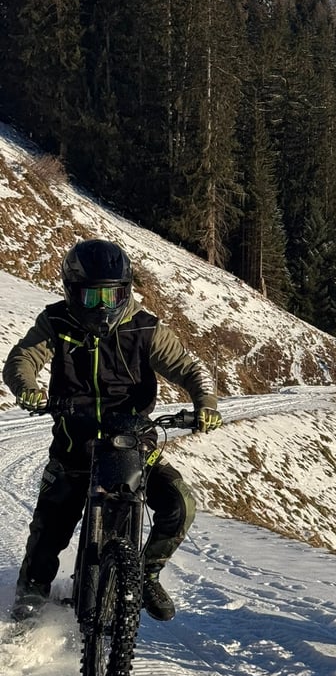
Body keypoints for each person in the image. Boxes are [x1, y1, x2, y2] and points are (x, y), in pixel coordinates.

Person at [3, 238, 222, 623]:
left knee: (180, 504)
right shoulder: (56, 322)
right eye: (92, 297)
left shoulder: (146, 328)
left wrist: (206, 404)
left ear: (127, 291)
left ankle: (146, 573)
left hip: (133, 446)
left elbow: (190, 368)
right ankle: (28, 604)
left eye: (113, 294)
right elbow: (23, 358)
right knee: (46, 536)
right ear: (72, 292)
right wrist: (28, 388)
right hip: (74, 445)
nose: (103, 306)